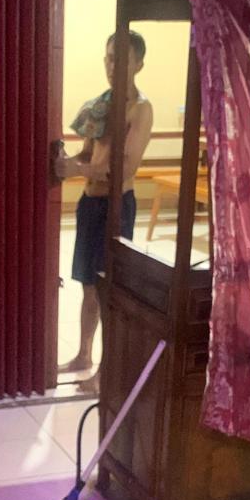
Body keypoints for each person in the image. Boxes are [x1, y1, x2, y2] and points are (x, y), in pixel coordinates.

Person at [54, 30, 154, 391]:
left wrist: (78, 169)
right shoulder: (100, 104)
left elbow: (124, 168)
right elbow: (87, 154)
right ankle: (83, 355)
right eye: (110, 57)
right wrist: (66, 162)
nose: (114, 65)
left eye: (123, 59)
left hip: (116, 207)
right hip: (90, 204)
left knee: (109, 288)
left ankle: (106, 371)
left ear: (139, 64)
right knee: (87, 285)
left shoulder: (140, 109)